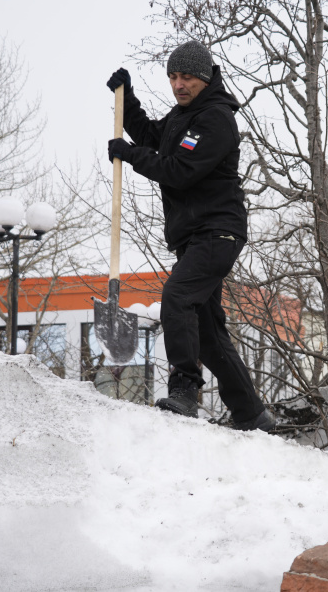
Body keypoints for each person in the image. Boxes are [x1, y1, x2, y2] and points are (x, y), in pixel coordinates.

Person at [105, 40, 275, 432]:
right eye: (173, 77)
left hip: (218, 233)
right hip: (195, 237)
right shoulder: (183, 116)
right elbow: (151, 136)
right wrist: (126, 99)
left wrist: (129, 155)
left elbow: (179, 169)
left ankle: (184, 390)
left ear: (204, 77)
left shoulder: (215, 119)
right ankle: (252, 414)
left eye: (187, 78)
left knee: (178, 297)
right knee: (209, 333)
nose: (179, 85)